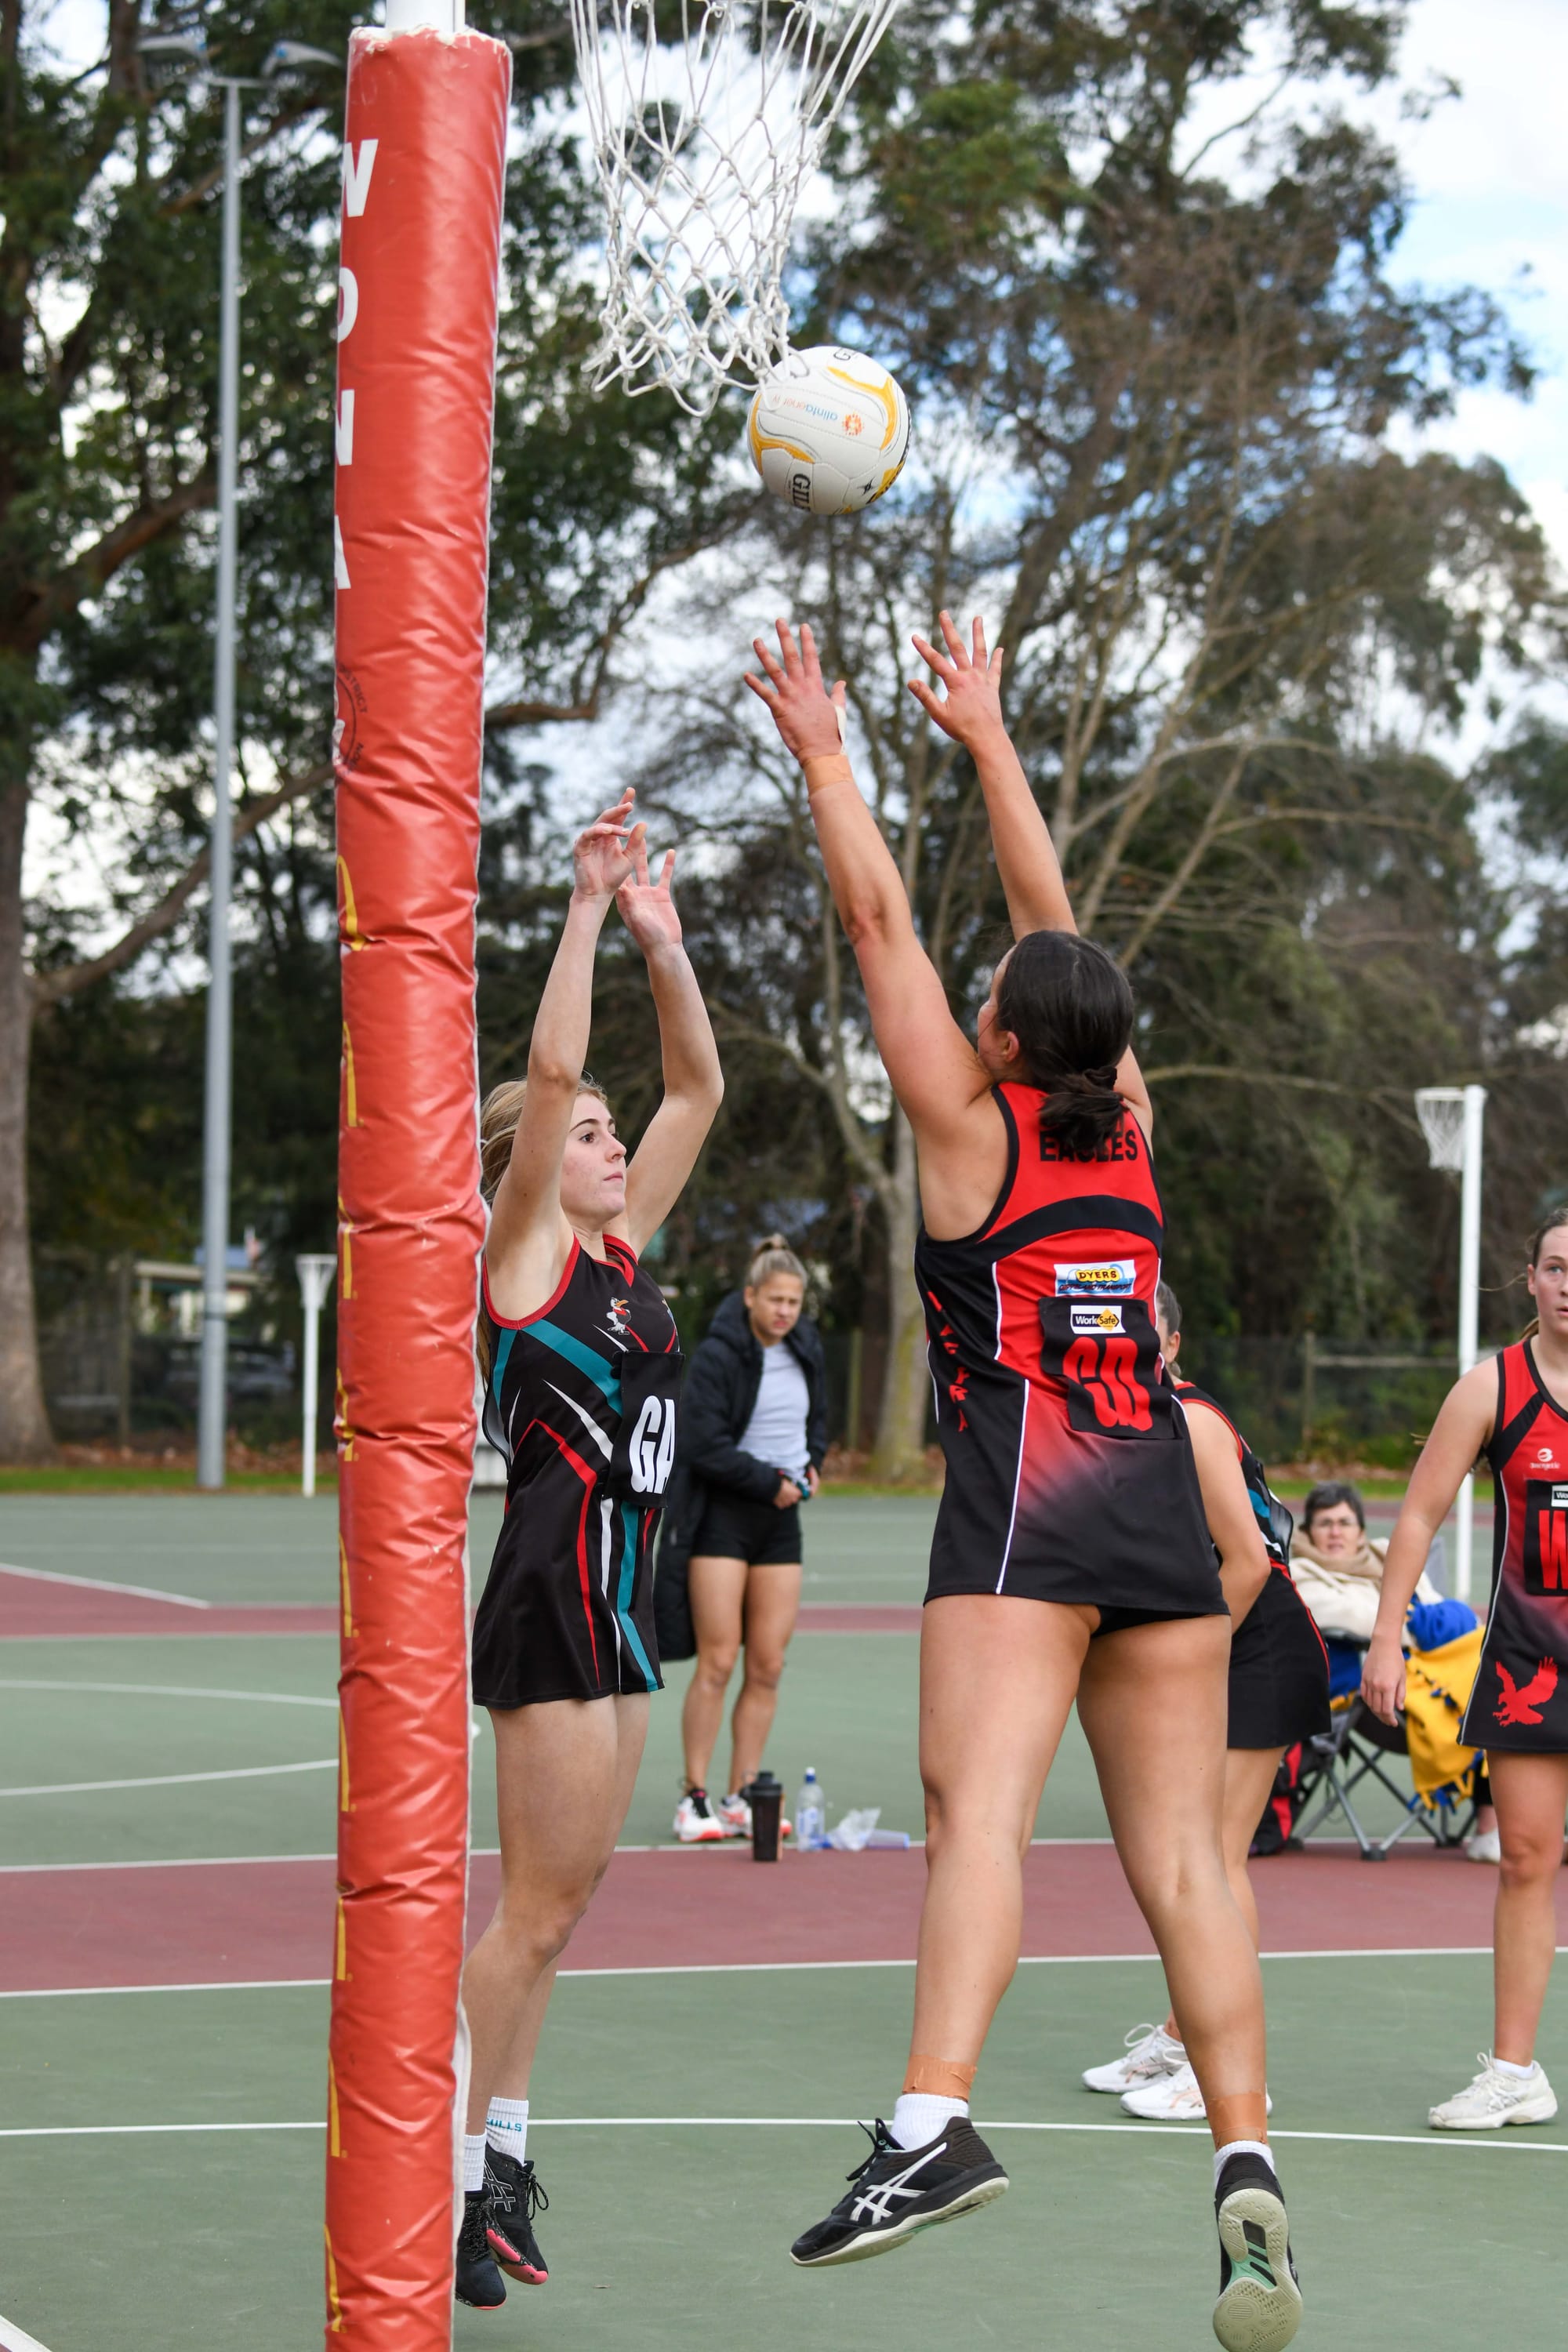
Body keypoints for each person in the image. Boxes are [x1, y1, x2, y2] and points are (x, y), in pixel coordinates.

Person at [746, 612, 1302, 2352]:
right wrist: (987, 739)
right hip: (1156, 1484)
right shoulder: (1120, 1117)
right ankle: (1244, 2166)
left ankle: (929, 2123)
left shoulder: (966, 1123)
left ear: (999, 1038)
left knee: (978, 1817)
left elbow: (877, 922)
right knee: (1188, 1875)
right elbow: (1059, 937)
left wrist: (827, 749)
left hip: (1024, 1493)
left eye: (990, 1000)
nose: (978, 991)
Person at [455, 791, 722, 2309]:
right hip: (553, 1605)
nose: (618, 1138)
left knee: (557, 1921)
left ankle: (499, 2163)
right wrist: (575, 911)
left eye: (617, 1134)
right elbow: (556, 1069)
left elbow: (700, 1085)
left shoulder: (622, 1265)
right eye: (593, 1133)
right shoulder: (528, 1258)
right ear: (539, 1159)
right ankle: (443, 2162)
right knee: (532, 1914)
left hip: (629, 1614)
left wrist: (662, 940)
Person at [1085, 1281, 1330, 2121]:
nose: (1132, 1342)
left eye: (1146, 1328)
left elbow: (1250, 1562)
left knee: (1217, 1866)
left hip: (1255, 1649)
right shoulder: (1125, 1426)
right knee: (1187, 1860)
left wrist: (1181, 1663)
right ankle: (1183, 2034)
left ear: (1173, 1342)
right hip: (1221, 1650)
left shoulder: (1186, 1420)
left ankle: (1224, 2069)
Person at [1363, 1213, 1568, 2132]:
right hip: (1529, 1658)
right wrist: (1381, 1637)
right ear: (1528, 1278)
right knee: (1525, 1858)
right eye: (1556, 1267)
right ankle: (1515, 2071)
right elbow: (1416, 1519)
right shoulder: (1491, 1387)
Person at [663, 1236, 828, 1842]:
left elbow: (817, 1422)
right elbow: (702, 1444)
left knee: (768, 1664)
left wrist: (813, 1463)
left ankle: (741, 1794)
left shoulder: (805, 1349)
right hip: (724, 1518)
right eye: (775, 1300)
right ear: (751, 1297)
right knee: (720, 1659)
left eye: (794, 1302)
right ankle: (695, 1797)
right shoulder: (717, 1354)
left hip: (781, 1521)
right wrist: (767, 1482)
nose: (785, 1312)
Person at [1293, 1480, 1497, 1861]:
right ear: (1307, 1532)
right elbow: (1349, 1618)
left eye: (1344, 1522)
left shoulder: (1388, 1557)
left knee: (1494, 1689)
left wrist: (1421, 1623)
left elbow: (1446, 1610)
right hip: (1370, 1698)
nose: (1336, 1532)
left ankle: (1497, 1826)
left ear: (1361, 1531)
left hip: (1426, 1675)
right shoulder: (1301, 1573)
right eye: (1324, 1524)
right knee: (1475, 1697)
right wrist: (1416, 1624)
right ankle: (1490, 1827)